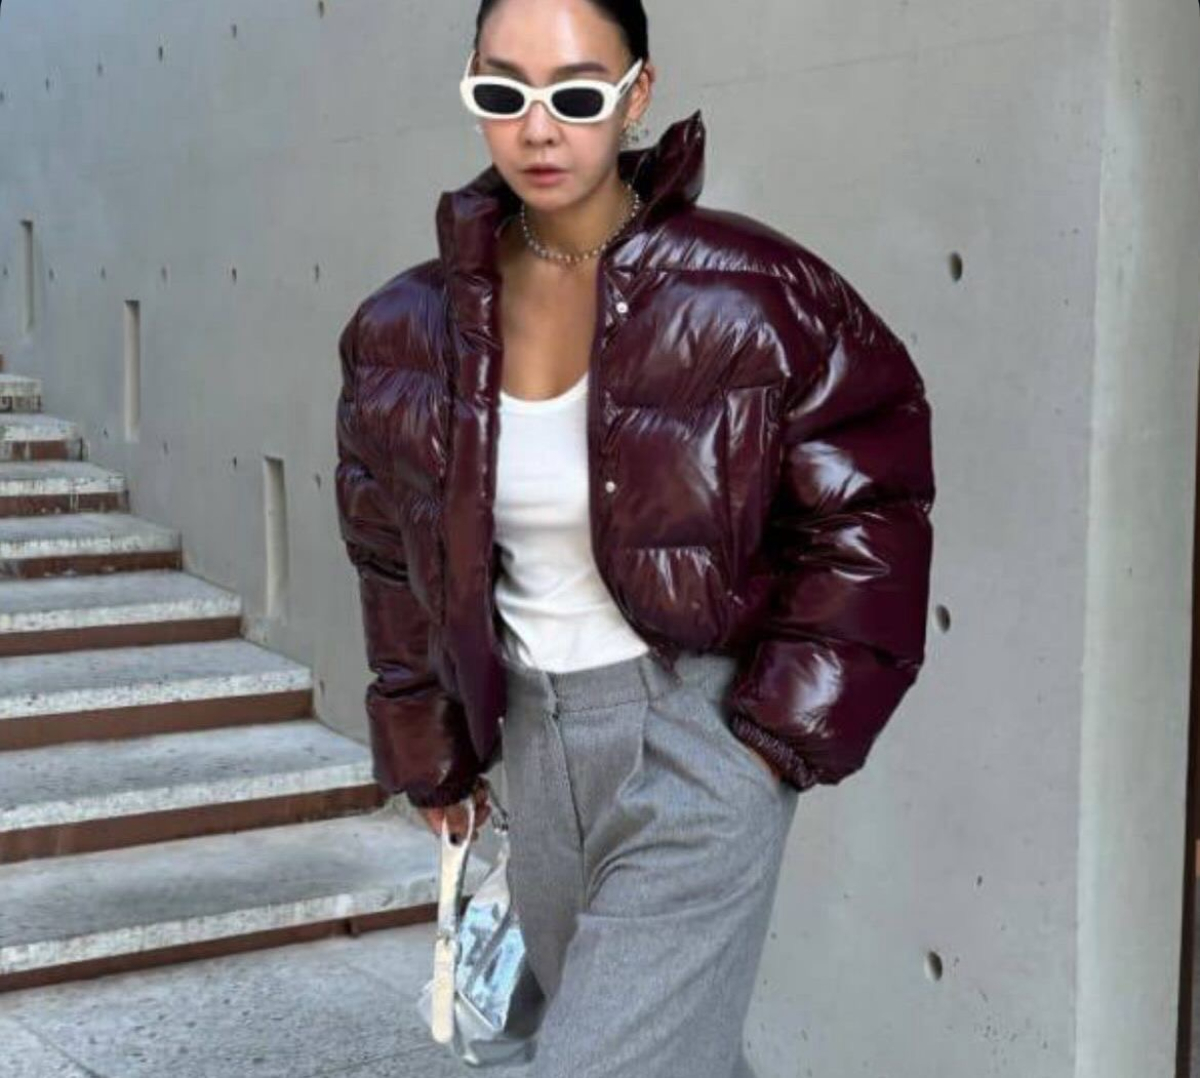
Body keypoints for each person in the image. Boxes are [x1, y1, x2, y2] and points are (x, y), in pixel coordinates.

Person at [333, 0, 935, 1073]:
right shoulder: (403, 331)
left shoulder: (757, 294)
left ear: (636, 94)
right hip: (532, 736)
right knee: (666, 1050)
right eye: (502, 92)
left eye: (576, 95)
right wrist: (433, 755)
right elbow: (392, 554)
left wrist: (765, 740)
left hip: (700, 731)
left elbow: (871, 500)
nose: (537, 128)